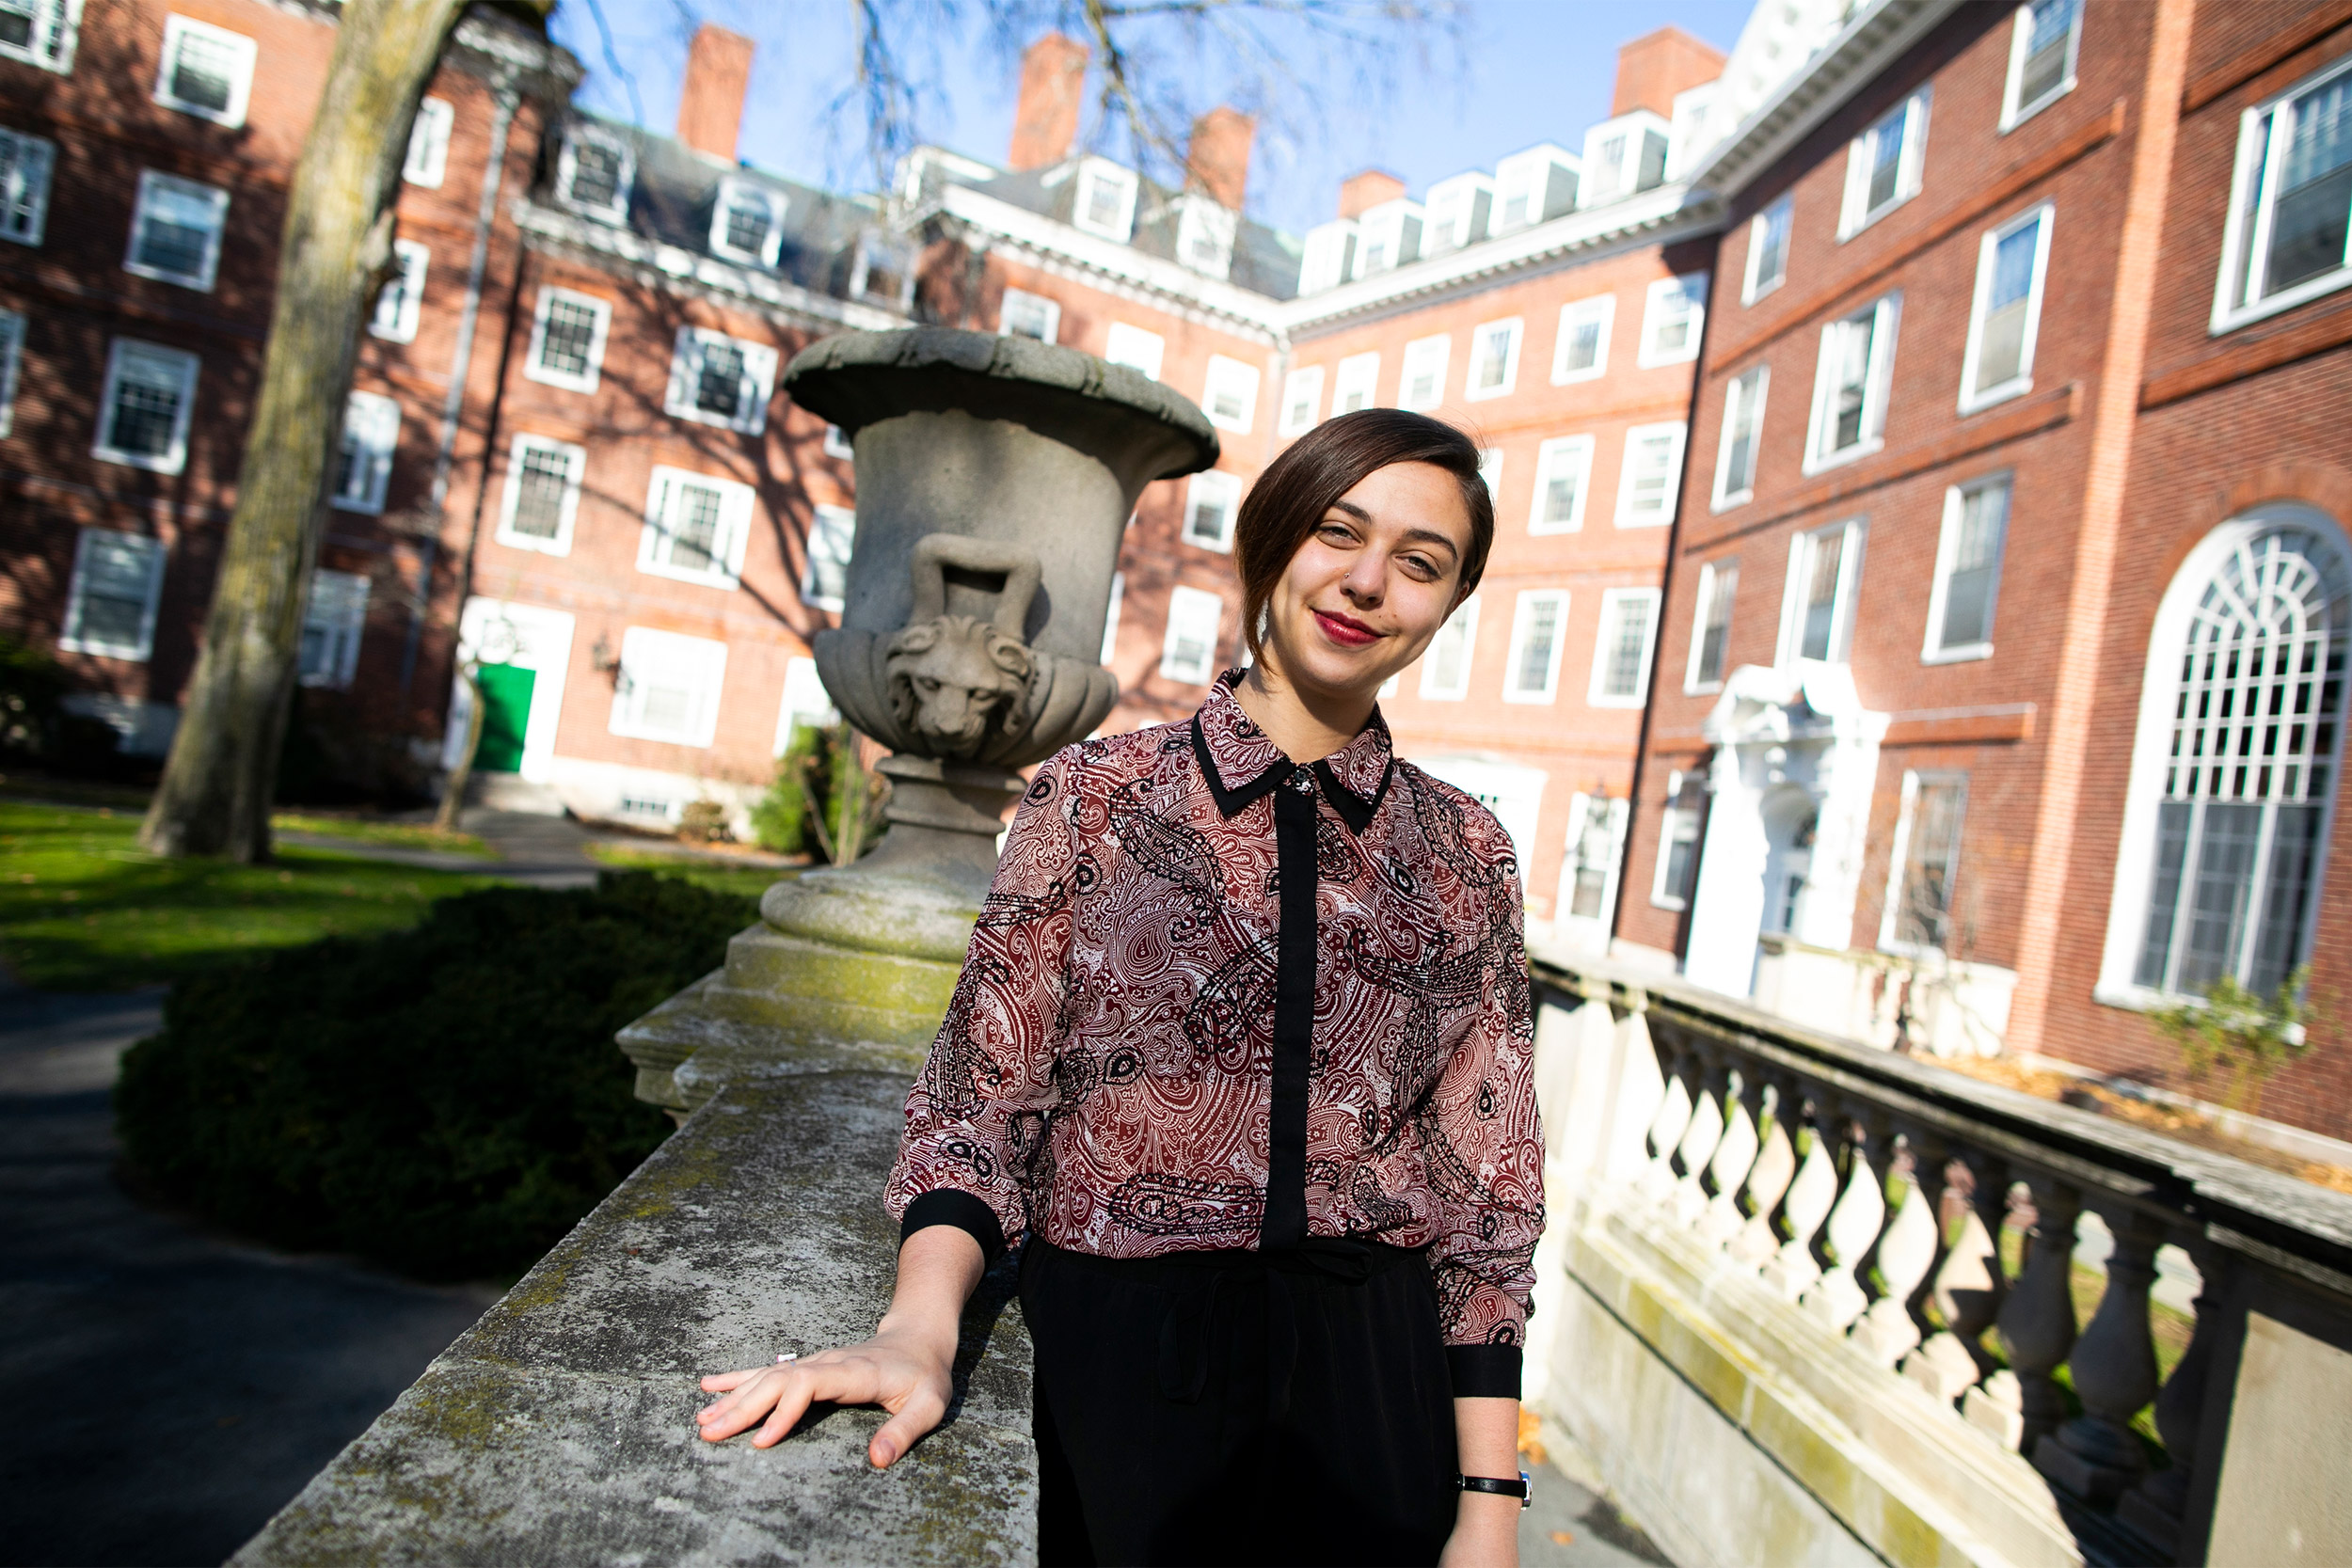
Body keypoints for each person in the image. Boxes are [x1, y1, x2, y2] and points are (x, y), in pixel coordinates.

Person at [695, 408, 1546, 1568]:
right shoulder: (1098, 796)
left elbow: (1488, 1193)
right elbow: (975, 1101)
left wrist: (1488, 1504)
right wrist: (918, 1329)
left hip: (1373, 1386)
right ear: (1271, 540)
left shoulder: (1464, 850)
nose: (1365, 583)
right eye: (1336, 532)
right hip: (1128, 1362)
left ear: (1448, 603)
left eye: (1419, 562)